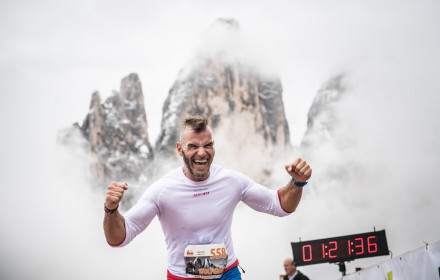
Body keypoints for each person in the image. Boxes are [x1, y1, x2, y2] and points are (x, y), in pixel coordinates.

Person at [103, 115, 312, 280]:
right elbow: (120, 237)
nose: (202, 153)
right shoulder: (162, 190)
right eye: (193, 146)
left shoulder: (231, 181)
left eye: (208, 145)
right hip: (182, 278)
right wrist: (111, 209)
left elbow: (279, 205)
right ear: (180, 149)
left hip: (227, 275)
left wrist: (297, 183)